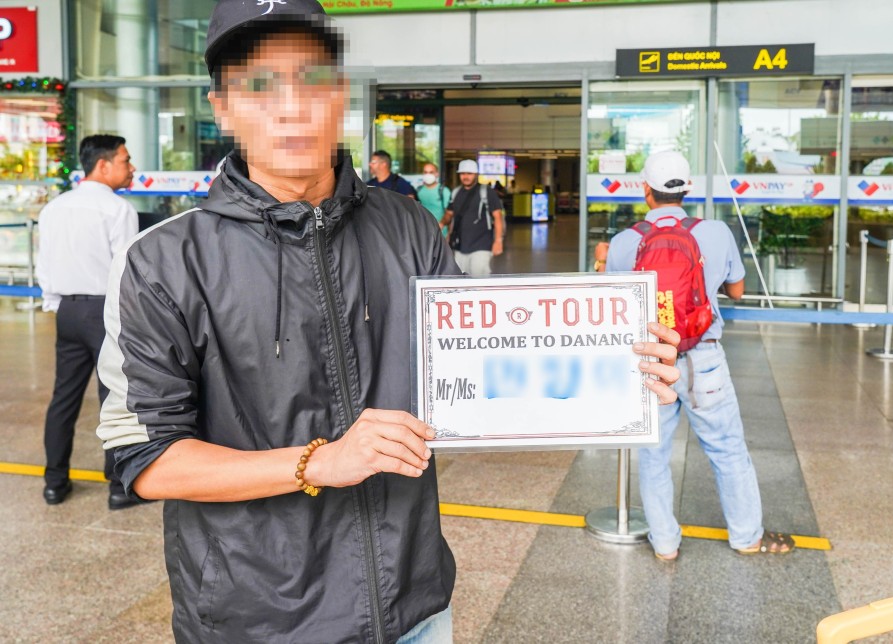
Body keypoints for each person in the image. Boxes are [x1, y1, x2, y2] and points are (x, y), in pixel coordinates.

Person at [96, 3, 681, 640]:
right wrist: (316, 462)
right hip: (257, 620)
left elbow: (482, 368)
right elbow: (146, 457)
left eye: (311, 78)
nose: (290, 106)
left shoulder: (406, 227)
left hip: (413, 605)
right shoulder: (163, 260)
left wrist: (613, 364)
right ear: (222, 107)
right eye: (258, 84)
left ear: (340, 95)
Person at [603, 150, 795, 561]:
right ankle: (746, 537)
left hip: (652, 361)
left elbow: (612, 306)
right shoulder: (716, 232)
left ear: (646, 192)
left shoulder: (625, 242)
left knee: (654, 457)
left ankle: (666, 544)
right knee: (727, 449)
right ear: (687, 190)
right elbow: (737, 290)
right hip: (703, 356)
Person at [37, 134, 139, 510]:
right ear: (104, 164)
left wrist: (56, 306)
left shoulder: (54, 208)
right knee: (114, 399)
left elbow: (44, 265)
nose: (132, 169)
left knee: (63, 397)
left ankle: (54, 483)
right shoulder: (117, 209)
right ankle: (118, 488)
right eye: (126, 160)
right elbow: (125, 271)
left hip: (66, 311)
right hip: (104, 312)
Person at [441, 159, 505, 277]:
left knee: (478, 278)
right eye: (463, 173)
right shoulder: (456, 192)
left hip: (481, 245)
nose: (466, 176)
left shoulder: (486, 192)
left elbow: (497, 217)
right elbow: (449, 214)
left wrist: (498, 241)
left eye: (469, 173)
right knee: (461, 279)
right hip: (459, 246)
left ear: (476, 174)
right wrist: (441, 223)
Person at [416, 162, 451, 237]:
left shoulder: (444, 191)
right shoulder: (418, 191)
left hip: (441, 235)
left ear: (437, 174)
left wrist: (447, 232)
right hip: (423, 234)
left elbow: (449, 213)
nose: (428, 175)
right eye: (425, 172)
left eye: (431, 172)